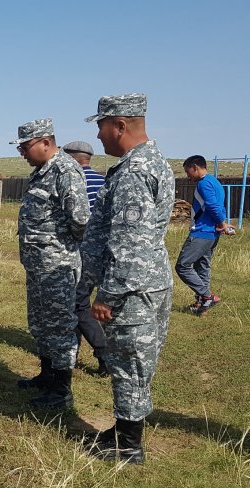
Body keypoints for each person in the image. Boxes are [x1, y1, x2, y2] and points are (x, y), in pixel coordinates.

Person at [81, 93, 176, 464]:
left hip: (133, 286)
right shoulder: (155, 162)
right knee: (137, 361)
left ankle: (129, 445)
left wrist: (108, 295)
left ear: (119, 125)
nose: (100, 135)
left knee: (130, 361)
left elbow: (128, 241)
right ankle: (124, 430)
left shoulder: (135, 171)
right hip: (150, 280)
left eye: (102, 126)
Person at [11, 119, 89, 409]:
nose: (22, 152)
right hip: (38, 265)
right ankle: (46, 375)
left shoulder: (65, 170)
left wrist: (61, 249)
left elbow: (80, 220)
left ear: (46, 142)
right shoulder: (41, 171)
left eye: (25, 146)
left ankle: (61, 390)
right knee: (41, 322)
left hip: (58, 266)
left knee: (59, 325)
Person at [62, 140, 108, 376]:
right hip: (102, 254)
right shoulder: (103, 182)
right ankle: (72, 350)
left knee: (79, 306)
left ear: (73, 158)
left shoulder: (74, 181)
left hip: (81, 253)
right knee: (76, 304)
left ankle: (104, 354)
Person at [175, 155, 233, 315]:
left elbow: (213, 205)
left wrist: (222, 223)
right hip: (213, 233)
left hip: (201, 232)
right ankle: (203, 306)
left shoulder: (203, 183)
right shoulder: (215, 182)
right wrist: (222, 223)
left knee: (183, 265)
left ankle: (207, 296)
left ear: (195, 167)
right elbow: (220, 206)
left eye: (188, 172)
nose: (188, 176)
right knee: (202, 267)